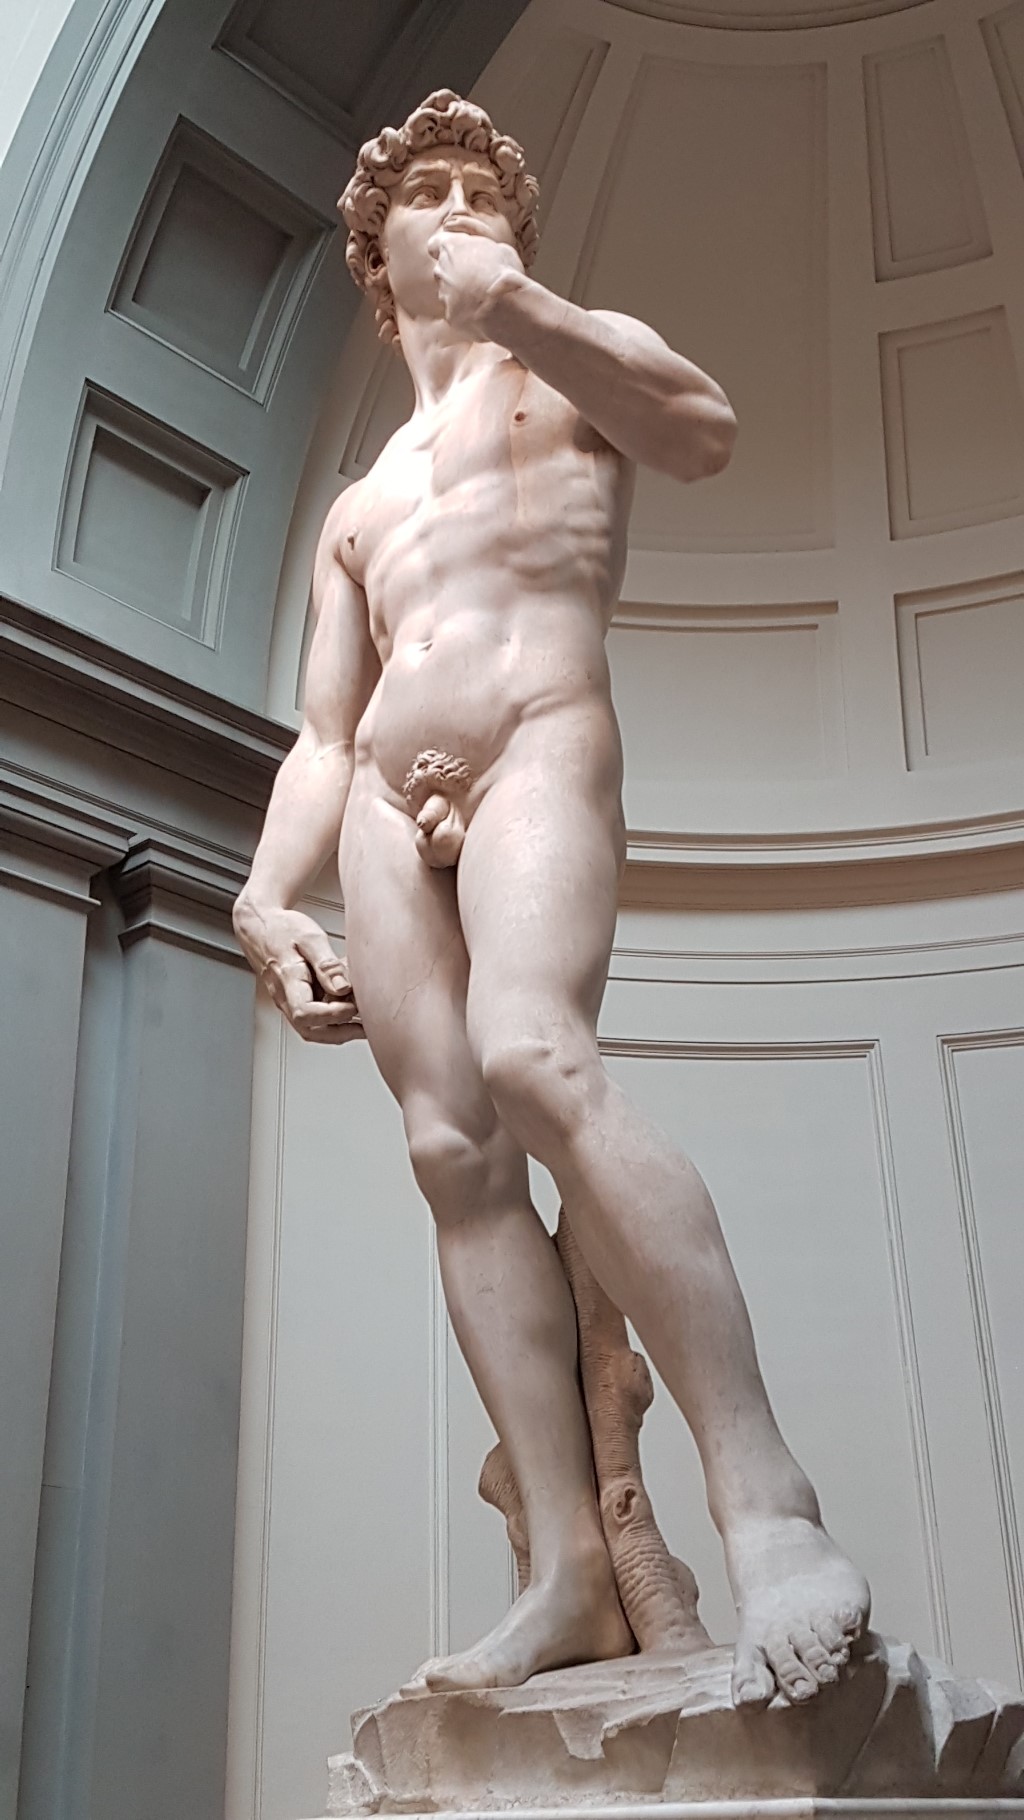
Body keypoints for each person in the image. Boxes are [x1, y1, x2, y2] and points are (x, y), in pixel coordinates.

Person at [233, 89, 869, 1706]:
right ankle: (574, 1570)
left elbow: (701, 430)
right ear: (377, 258)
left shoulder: (571, 360)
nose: (460, 207)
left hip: (536, 736)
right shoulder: (360, 502)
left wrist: (520, 303)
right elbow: (323, 733)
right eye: (428, 194)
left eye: (484, 191)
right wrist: (262, 897)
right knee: (452, 1153)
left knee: (535, 1057)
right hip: (388, 799)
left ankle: (768, 1506)